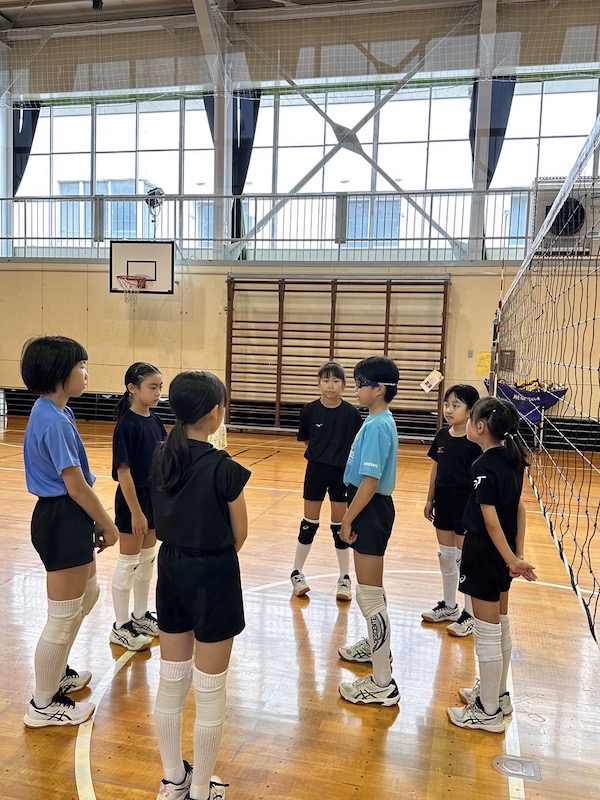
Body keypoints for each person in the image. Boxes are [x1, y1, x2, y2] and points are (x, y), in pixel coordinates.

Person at [150, 371, 250, 800]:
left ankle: (173, 778)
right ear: (215, 413)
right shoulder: (224, 468)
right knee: (210, 687)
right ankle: (201, 786)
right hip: (213, 573)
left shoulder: (160, 455)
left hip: (170, 567)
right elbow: (239, 534)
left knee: (172, 678)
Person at [20, 335, 119, 728]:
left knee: (88, 595)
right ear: (61, 372)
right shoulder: (50, 419)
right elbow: (75, 486)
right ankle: (42, 705)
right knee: (61, 618)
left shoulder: (60, 412)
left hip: (71, 516)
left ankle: (57, 673)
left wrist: (92, 520)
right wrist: (109, 525)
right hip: (60, 518)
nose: (86, 373)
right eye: (81, 366)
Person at [447, 397, 537, 733]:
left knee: (486, 632)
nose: (468, 423)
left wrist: (512, 558)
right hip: (501, 555)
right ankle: (497, 695)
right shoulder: (513, 460)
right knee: (500, 622)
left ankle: (487, 713)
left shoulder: (483, 466)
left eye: (471, 418)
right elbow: (518, 510)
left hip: (485, 552)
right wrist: (515, 555)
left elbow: (492, 519)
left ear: (480, 427)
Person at [337, 356, 400, 706]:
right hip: (368, 506)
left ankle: (382, 682)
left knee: (370, 596)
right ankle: (377, 651)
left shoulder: (377, 426)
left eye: (362, 383)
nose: (357, 389)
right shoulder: (378, 419)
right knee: (370, 594)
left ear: (379, 389)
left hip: (368, 508)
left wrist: (347, 519)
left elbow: (371, 481)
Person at [291, 361, 363, 600]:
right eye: (326, 380)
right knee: (309, 522)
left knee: (339, 526)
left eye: (336, 380)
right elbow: (307, 440)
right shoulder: (309, 410)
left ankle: (344, 577)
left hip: (342, 474)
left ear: (344, 385)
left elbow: (355, 445)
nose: (330, 385)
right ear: (318, 383)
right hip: (316, 471)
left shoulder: (351, 413)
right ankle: (296, 573)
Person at [110, 362, 167, 651]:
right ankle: (120, 627)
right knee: (128, 563)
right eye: (152, 387)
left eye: (160, 386)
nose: (158, 392)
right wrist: (136, 512)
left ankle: (141, 615)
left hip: (153, 499)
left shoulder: (155, 420)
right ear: (133, 389)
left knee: (147, 560)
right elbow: (123, 473)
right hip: (134, 502)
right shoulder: (126, 425)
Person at [421, 384, 481, 637]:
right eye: (447, 404)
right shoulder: (442, 436)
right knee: (445, 555)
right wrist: (429, 499)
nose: (449, 409)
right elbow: (436, 469)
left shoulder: (475, 441)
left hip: (466, 502)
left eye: (456, 405)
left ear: (471, 411)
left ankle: (470, 614)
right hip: (443, 500)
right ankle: (449, 606)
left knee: (463, 557)